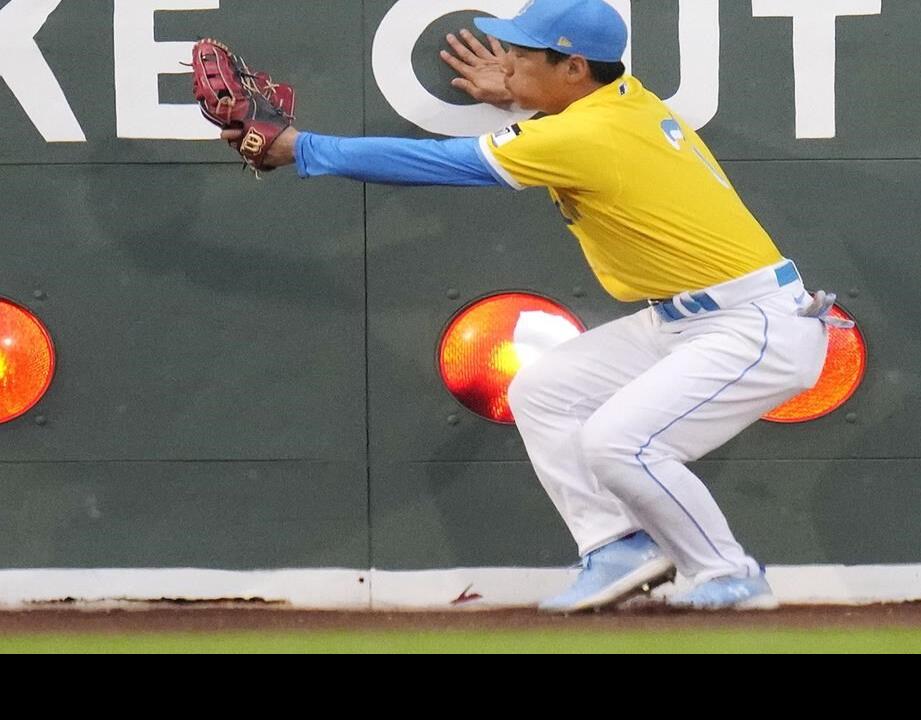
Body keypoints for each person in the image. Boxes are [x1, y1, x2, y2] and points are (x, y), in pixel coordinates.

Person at [224, 0, 841, 613]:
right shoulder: (621, 97)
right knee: (544, 390)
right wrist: (527, 94)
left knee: (619, 444)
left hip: (752, 326)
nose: (507, 63)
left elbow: (440, 164)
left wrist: (302, 148)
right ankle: (616, 545)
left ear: (574, 68)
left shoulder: (584, 132)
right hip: (689, 318)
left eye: (521, 54)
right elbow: (569, 120)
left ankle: (728, 573)